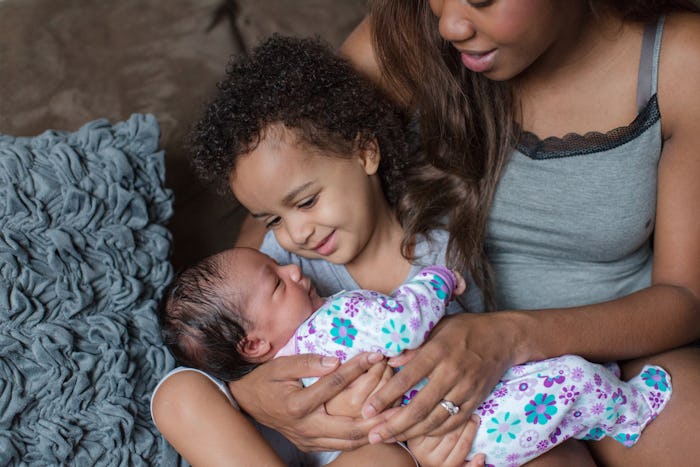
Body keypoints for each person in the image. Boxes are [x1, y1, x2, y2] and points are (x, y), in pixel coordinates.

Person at [321, 1, 700, 465]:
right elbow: (275, 188)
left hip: (615, 343)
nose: (449, 25)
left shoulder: (681, 60)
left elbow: (685, 296)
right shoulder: (405, 34)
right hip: (436, 366)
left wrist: (510, 338)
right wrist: (246, 385)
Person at [151, 33, 484, 467]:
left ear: (364, 152)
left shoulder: (442, 259)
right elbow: (236, 342)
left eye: (306, 202)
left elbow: (468, 371)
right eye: (272, 219)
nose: (295, 234)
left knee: (385, 460)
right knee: (177, 394)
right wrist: (247, 393)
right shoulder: (279, 261)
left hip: (380, 442)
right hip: (274, 445)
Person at [160, 245, 671, 466]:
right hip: (467, 425)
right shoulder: (334, 320)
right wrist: (436, 277)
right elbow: (403, 322)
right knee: (570, 381)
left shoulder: (290, 362)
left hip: (455, 422)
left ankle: (604, 403)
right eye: (277, 281)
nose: (295, 269)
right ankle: (628, 411)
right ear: (253, 346)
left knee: (556, 385)